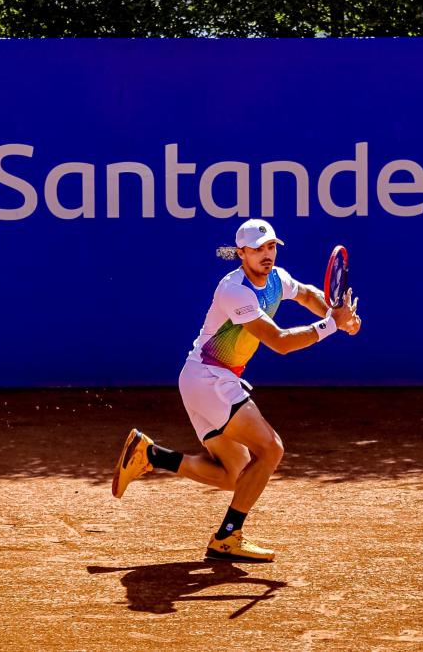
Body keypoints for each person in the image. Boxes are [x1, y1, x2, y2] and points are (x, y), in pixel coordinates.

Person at [112, 219, 361, 562]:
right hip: (210, 379)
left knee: (236, 476)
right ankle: (227, 537)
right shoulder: (234, 290)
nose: (266, 255)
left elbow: (305, 294)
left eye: (271, 247)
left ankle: (150, 455)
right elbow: (280, 342)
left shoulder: (277, 278)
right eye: (257, 249)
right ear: (241, 253)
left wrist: (334, 311)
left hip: (204, 381)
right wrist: (333, 324)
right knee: (270, 449)